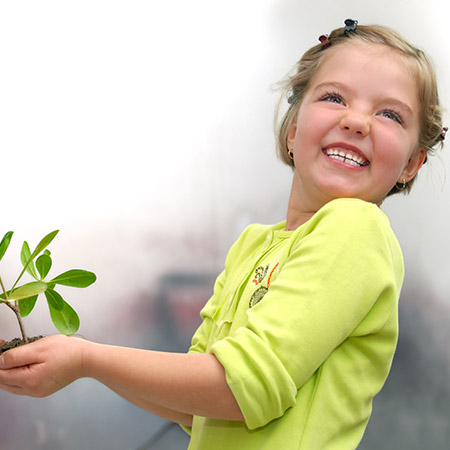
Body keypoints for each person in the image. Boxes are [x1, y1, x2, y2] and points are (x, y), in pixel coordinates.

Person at [0, 20, 446, 450]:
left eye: (389, 114)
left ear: (411, 163)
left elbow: (241, 388)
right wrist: (82, 367)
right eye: (334, 97)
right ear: (292, 131)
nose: (357, 121)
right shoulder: (255, 245)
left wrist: (88, 358)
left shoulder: (355, 227)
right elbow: (196, 409)